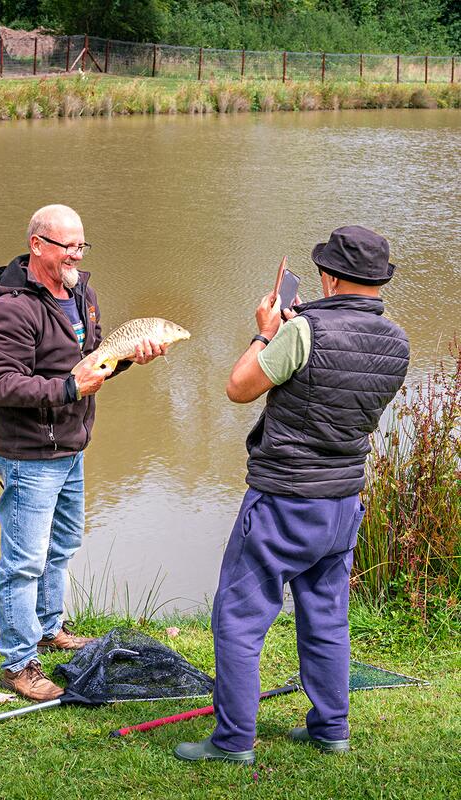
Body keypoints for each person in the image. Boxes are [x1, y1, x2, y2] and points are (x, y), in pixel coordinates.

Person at [174, 225, 410, 764]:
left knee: (238, 616)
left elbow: (239, 388)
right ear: (376, 281)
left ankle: (233, 741)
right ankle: (332, 728)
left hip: (285, 499)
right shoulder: (396, 341)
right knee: (327, 617)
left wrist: (265, 333)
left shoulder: (303, 331)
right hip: (343, 502)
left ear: (329, 276)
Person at [0, 204, 166, 701]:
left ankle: (48, 626)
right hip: (30, 455)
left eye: (82, 245)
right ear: (38, 244)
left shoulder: (83, 293)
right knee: (23, 563)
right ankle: (19, 663)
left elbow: (95, 365)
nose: (77, 256)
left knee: (61, 548)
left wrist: (128, 360)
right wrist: (66, 388)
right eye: (67, 247)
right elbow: (1, 385)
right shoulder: (8, 310)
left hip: (73, 446)